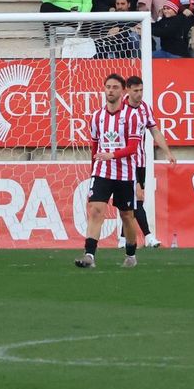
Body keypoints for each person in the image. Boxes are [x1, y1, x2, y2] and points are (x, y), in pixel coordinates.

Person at [76, 73, 141, 269]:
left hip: (125, 173)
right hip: (102, 171)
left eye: (114, 87)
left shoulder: (132, 116)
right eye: (108, 87)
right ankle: (89, 255)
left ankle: (131, 254)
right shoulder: (96, 117)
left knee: (127, 216)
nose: (110, 90)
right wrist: (93, 168)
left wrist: (111, 155)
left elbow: (133, 147)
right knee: (96, 211)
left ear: (123, 91)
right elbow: (94, 146)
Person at [124, 75, 173, 251]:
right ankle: (148, 236)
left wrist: (167, 152)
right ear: (127, 90)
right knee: (137, 198)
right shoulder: (119, 108)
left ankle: (123, 238)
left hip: (140, 161)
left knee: (132, 201)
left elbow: (155, 131)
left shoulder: (145, 108)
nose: (139, 94)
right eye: (135, 90)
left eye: (141, 90)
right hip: (124, 161)